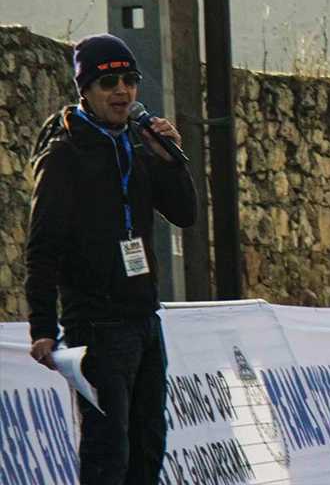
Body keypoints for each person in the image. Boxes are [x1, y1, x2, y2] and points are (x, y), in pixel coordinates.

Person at [25, 33, 197, 485]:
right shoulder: (64, 155)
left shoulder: (138, 147)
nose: (122, 91)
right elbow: (42, 247)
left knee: (148, 448)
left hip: (143, 320)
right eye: (109, 84)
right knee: (108, 453)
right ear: (85, 90)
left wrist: (169, 162)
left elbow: (185, 214)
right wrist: (43, 325)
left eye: (129, 80)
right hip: (97, 326)